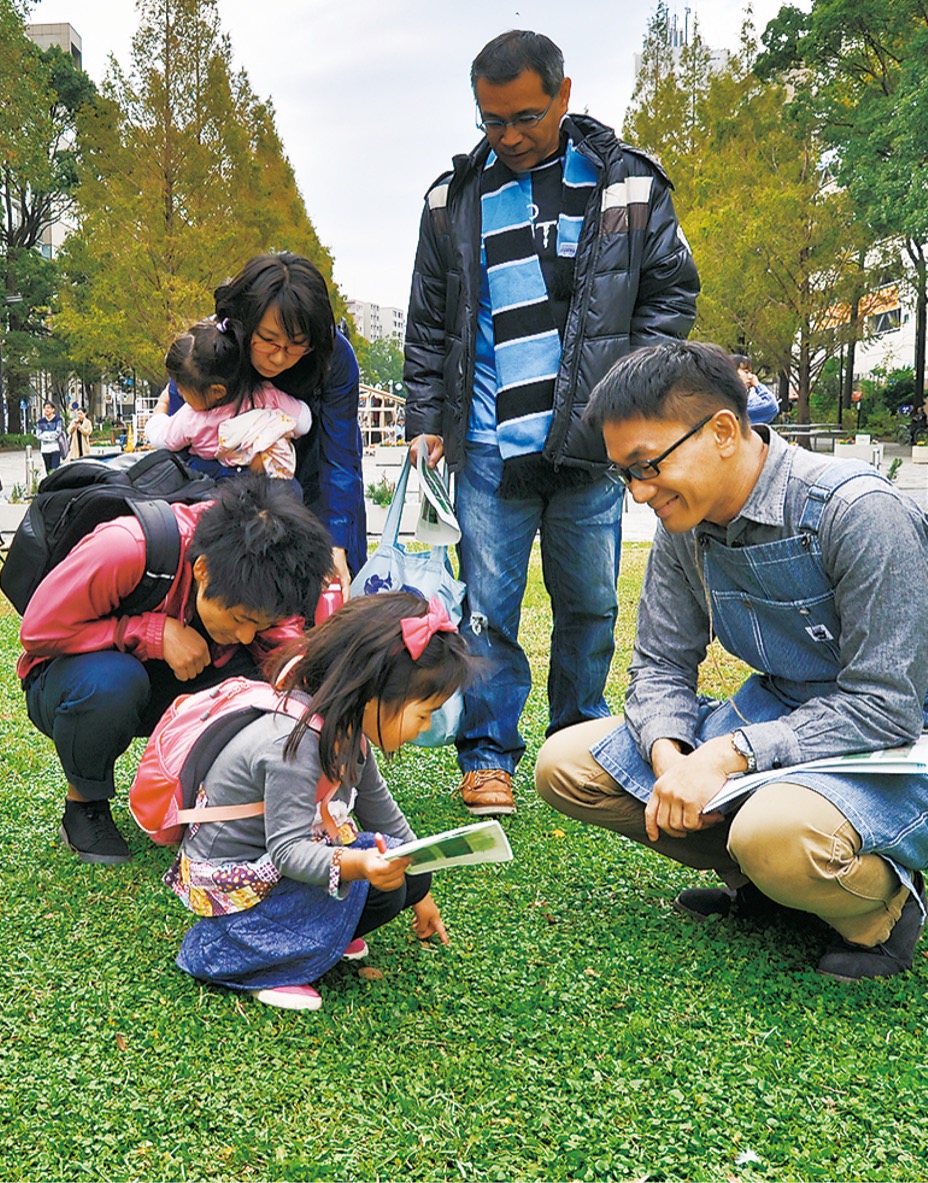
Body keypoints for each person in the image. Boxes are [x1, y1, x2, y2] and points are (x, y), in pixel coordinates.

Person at [535, 341, 928, 982]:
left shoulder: (857, 512)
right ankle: (760, 882)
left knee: (774, 834)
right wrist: (673, 760)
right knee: (565, 765)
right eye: (623, 475)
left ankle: (880, 912)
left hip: (894, 747)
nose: (638, 494)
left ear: (722, 430)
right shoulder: (681, 525)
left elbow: (887, 705)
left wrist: (726, 756)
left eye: (647, 466)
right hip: (778, 721)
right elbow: (660, 664)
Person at [403, 30, 700, 817]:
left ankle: (579, 741)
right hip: (491, 447)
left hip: (591, 450)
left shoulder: (627, 185)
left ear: (564, 96)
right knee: (487, 612)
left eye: (524, 117)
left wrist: (633, 395)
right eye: (489, 121)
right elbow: (429, 325)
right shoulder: (451, 199)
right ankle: (489, 752)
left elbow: (670, 295)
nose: (506, 136)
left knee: (592, 606)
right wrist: (427, 419)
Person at [169, 592, 469, 1012]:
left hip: (268, 876)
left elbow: (386, 815)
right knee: (368, 861)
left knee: (402, 872)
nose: (425, 727)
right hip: (234, 892)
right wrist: (358, 864)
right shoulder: (292, 744)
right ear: (374, 692)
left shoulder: (347, 731)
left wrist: (422, 888)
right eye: (422, 713)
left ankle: (305, 936)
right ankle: (253, 959)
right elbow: (288, 851)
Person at [18, 473, 336, 866]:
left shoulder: (266, 584)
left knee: (263, 691)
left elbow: (288, 660)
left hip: (179, 679)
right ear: (202, 570)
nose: (245, 633)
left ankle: (209, 806)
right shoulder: (127, 547)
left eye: (260, 622)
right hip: (76, 680)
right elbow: (37, 631)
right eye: (238, 617)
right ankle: (85, 805)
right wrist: (151, 633)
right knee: (113, 683)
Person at [167, 253, 366, 588]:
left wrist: (337, 541)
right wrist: (252, 471)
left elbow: (340, 459)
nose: (278, 356)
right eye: (269, 340)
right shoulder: (205, 353)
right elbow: (181, 458)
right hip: (221, 495)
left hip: (314, 480)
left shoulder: (335, 356)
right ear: (245, 322)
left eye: (296, 346)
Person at [147, 319, 313, 480]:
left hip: (215, 479)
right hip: (265, 479)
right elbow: (304, 422)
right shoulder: (264, 395)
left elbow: (160, 438)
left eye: (183, 389)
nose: (181, 394)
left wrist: (160, 407)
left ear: (217, 391)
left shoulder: (191, 419)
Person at [730, 354, 780, 424]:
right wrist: (758, 385)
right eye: (746, 372)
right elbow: (771, 406)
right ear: (733, 372)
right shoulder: (733, 403)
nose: (751, 377)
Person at [35, 402, 66, 473]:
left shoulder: (58, 420)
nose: (46, 410)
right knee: (48, 470)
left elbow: (58, 432)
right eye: (45, 408)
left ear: (53, 409)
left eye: (48, 408)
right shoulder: (40, 422)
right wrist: (49, 436)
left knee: (54, 470)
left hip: (55, 448)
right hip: (45, 449)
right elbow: (38, 435)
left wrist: (46, 435)